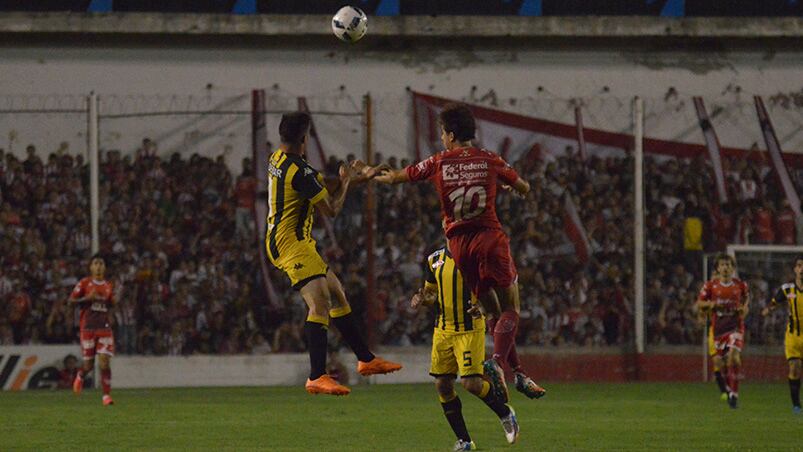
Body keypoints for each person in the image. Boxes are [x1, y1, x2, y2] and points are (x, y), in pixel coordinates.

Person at [365, 103, 543, 401]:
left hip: (460, 247)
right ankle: (499, 364)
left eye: (442, 133)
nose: (442, 138)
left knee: (493, 314)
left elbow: (399, 176)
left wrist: (372, 175)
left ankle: (520, 374)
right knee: (511, 309)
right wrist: (516, 188)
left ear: (450, 134)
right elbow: (524, 187)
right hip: (489, 236)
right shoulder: (489, 159)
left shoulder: (439, 162)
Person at [266, 111, 401, 396]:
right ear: (305, 138)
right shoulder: (301, 171)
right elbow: (332, 208)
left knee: (337, 293)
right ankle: (316, 376)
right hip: (291, 244)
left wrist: (361, 177)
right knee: (320, 302)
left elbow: (318, 182)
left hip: (291, 240)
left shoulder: (277, 159)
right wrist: (350, 181)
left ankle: (366, 359)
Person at [412, 245, 520, 450]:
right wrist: (423, 299)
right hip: (443, 330)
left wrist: (481, 306)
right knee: (442, 385)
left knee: (471, 384)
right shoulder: (434, 259)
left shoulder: (477, 258)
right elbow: (431, 293)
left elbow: (493, 291)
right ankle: (465, 441)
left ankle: (505, 413)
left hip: (470, 329)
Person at [696, 254, 750, 409]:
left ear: (732, 268)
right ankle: (726, 389)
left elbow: (746, 301)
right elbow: (700, 303)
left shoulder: (740, 285)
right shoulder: (710, 286)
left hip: (735, 327)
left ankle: (734, 394)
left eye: (728, 264)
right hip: (718, 329)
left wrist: (744, 309)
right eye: (722, 265)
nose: (725, 267)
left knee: (733, 356)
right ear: (718, 268)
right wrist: (711, 305)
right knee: (720, 363)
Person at [69, 255, 116, 406]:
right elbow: (70, 301)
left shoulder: (109, 285)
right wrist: (87, 299)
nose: (98, 266)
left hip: (104, 328)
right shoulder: (84, 283)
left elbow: (111, 304)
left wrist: (113, 304)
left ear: (105, 267)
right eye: (95, 263)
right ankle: (81, 375)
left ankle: (106, 396)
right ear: (90, 267)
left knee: (104, 363)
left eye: (101, 263)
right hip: (87, 328)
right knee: (88, 365)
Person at [762, 256, 803, 414]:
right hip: (793, 336)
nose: (802, 269)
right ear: (795, 269)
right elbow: (774, 302)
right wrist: (767, 310)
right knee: (794, 367)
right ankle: (796, 405)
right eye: (799, 265)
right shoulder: (787, 289)